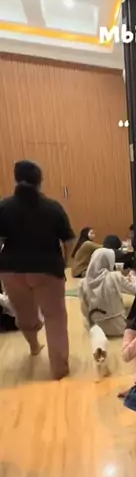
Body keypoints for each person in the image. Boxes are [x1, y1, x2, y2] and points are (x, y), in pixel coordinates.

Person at [0, 160, 75, 379]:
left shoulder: (4, 207)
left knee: (24, 314)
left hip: (12, 269)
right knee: (55, 318)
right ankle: (59, 369)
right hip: (47, 268)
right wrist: (65, 262)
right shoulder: (53, 207)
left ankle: (34, 346)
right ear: (40, 181)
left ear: (16, 179)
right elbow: (69, 240)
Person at [78, 247, 136, 337]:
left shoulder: (83, 282)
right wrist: (132, 275)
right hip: (119, 327)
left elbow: (84, 309)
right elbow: (135, 289)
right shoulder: (115, 276)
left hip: (96, 328)